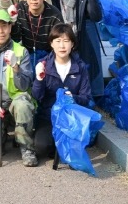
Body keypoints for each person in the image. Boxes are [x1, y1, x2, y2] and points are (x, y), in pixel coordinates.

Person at [0, 10, 36, 166]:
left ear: (10, 27)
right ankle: (1, 138)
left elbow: (25, 85)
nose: (1, 31)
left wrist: (16, 68)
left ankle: (26, 149)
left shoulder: (21, 51)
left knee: (23, 105)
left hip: (14, 102)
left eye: (4, 26)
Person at [31, 23, 92, 159]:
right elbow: (37, 96)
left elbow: (86, 97)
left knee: (76, 150)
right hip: (48, 117)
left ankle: (65, 147)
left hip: (72, 119)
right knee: (41, 147)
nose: (62, 46)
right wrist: (39, 79)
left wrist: (73, 97)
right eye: (58, 41)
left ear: (72, 44)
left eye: (66, 41)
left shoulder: (80, 67)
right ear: (51, 44)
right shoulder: (44, 65)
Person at [52, 0, 104, 100]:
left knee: (83, 69)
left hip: (79, 38)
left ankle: (85, 98)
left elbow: (96, 16)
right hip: (62, 40)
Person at [10, 0, 64, 69]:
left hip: (49, 56)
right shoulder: (20, 10)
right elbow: (16, 39)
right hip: (26, 54)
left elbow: (59, 42)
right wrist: (13, 22)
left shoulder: (54, 14)